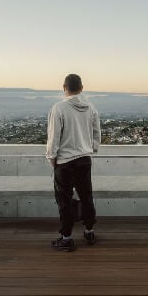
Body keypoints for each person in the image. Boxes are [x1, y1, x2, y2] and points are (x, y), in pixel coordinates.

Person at [46, 73, 101, 252]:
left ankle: (67, 238)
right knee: (86, 196)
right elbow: (96, 132)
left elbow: (53, 137)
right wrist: (90, 148)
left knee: (65, 200)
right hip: (84, 159)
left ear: (64, 87)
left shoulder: (59, 108)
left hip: (65, 161)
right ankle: (89, 230)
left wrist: (52, 158)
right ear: (82, 88)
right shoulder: (91, 107)